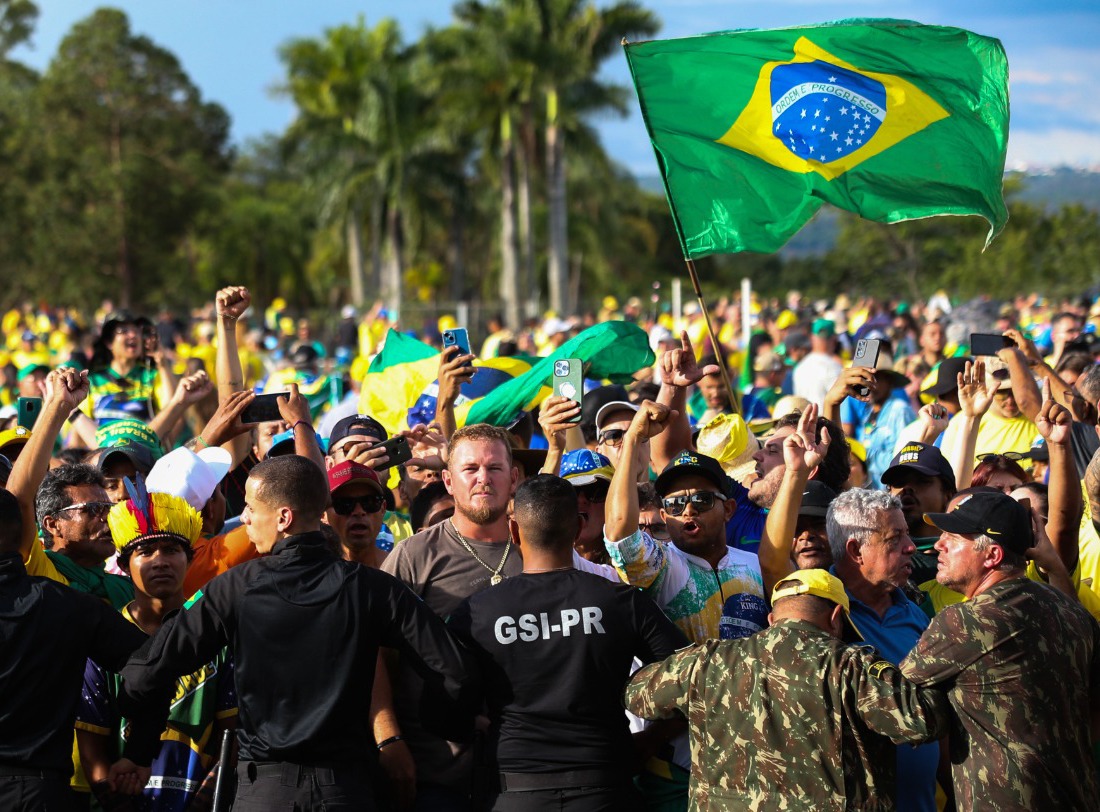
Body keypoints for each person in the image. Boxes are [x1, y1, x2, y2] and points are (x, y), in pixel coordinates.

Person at [118, 455, 474, 811]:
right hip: (346, 789)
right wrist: (442, 724)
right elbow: (453, 667)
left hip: (265, 792)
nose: (243, 519)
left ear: (283, 518)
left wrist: (140, 749)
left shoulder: (234, 588)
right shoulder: (370, 588)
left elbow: (145, 672)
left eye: (251, 508)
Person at [448, 475, 687, 811]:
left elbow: (440, 707)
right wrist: (651, 739)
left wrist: (482, 724)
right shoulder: (620, 601)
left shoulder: (476, 613)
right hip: (605, 788)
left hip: (516, 790)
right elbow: (693, 677)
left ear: (514, 532)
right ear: (577, 529)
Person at [624, 568, 947, 810]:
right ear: (836, 617)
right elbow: (921, 721)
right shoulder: (852, 665)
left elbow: (639, 696)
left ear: (771, 617)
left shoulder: (708, 660)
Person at [903, 491, 1100, 810]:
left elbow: (898, 708)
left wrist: (859, 663)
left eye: (952, 538)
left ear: (992, 555)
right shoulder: (1073, 613)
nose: (939, 545)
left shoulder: (965, 620)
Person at [381, 423, 523, 810]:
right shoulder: (413, 557)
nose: (483, 479)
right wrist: (389, 742)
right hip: (437, 778)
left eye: (494, 469)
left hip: (526, 776)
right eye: (470, 469)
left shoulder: (539, 548)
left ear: (514, 478)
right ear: (447, 480)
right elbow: (375, 657)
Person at [77, 485, 236, 812]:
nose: (160, 561)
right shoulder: (101, 639)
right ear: (123, 564)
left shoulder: (219, 634)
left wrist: (204, 803)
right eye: (145, 552)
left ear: (190, 558)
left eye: (170, 549)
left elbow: (230, 739)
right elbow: (92, 750)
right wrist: (117, 801)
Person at [0, 487, 148, 811]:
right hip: (40, 794)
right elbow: (153, 666)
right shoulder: (69, 605)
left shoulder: (71, 605)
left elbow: (151, 664)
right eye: (93, 508)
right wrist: (140, 750)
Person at [828, 488, 941, 812]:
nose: (910, 547)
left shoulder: (917, 616)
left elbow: (940, 719)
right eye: (894, 538)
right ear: (855, 550)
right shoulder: (820, 614)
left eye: (907, 534)